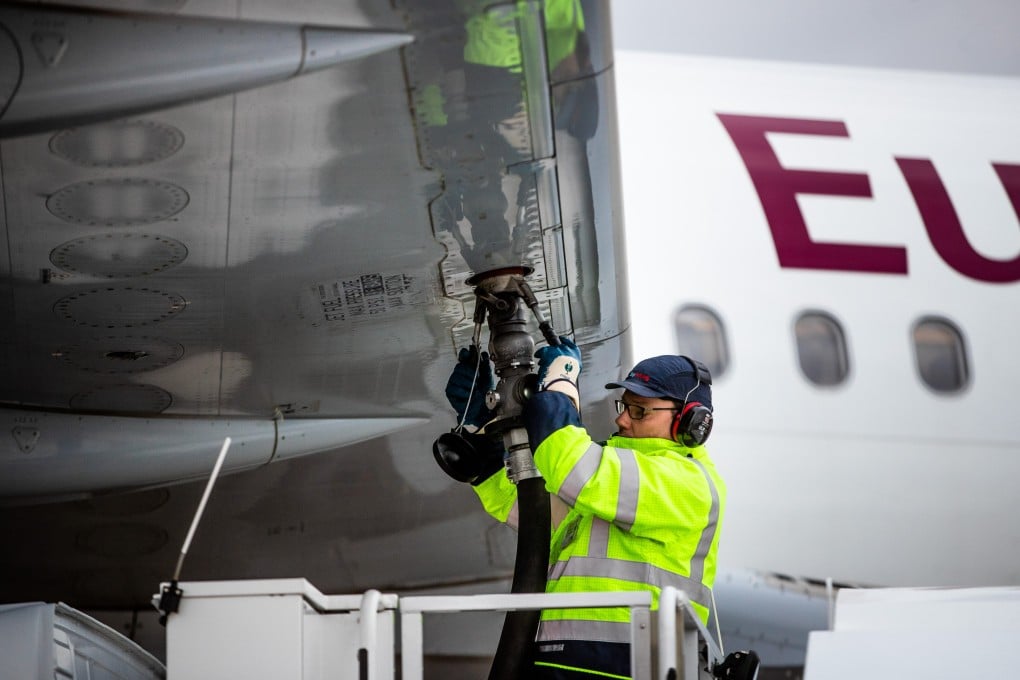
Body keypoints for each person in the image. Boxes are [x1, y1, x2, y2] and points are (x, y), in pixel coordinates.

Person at [442, 339, 727, 679]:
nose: (622, 420)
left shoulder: (688, 482)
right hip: (568, 663)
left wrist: (561, 383)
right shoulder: (612, 487)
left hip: (630, 666)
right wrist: (483, 433)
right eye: (624, 406)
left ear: (690, 422)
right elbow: (533, 514)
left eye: (639, 411)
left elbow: (573, 467)